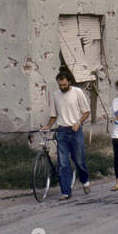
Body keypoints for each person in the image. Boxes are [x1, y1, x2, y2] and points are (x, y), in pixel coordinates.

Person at [45, 68, 91, 200]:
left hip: (75, 130)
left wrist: (78, 122)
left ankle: (85, 180)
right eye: (60, 85)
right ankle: (66, 192)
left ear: (69, 82)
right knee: (63, 163)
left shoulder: (78, 92)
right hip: (62, 131)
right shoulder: (55, 95)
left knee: (79, 160)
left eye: (64, 85)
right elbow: (54, 115)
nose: (62, 87)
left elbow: (86, 111)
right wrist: (48, 126)